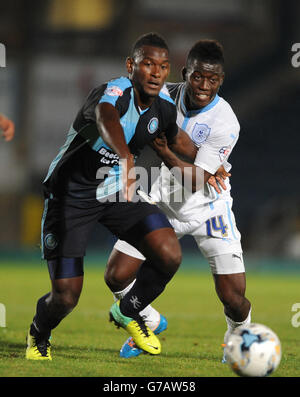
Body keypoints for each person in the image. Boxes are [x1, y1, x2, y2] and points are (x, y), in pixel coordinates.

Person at [25, 33, 218, 361]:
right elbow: (105, 118)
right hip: (70, 195)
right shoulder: (111, 93)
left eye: (163, 66)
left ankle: (130, 311)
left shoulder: (164, 106)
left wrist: (214, 163)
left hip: (117, 191)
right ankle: (38, 333)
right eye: (148, 64)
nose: (157, 72)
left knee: (169, 253)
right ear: (131, 66)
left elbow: (179, 139)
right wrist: (126, 157)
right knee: (66, 297)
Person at [104, 39, 252, 360]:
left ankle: (238, 337)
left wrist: (164, 152)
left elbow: (199, 180)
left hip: (208, 207)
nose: (203, 86)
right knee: (116, 274)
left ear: (221, 81)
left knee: (233, 296)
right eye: (197, 76)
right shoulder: (163, 94)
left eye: (212, 80)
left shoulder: (226, 122)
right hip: (160, 200)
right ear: (186, 73)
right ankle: (147, 320)